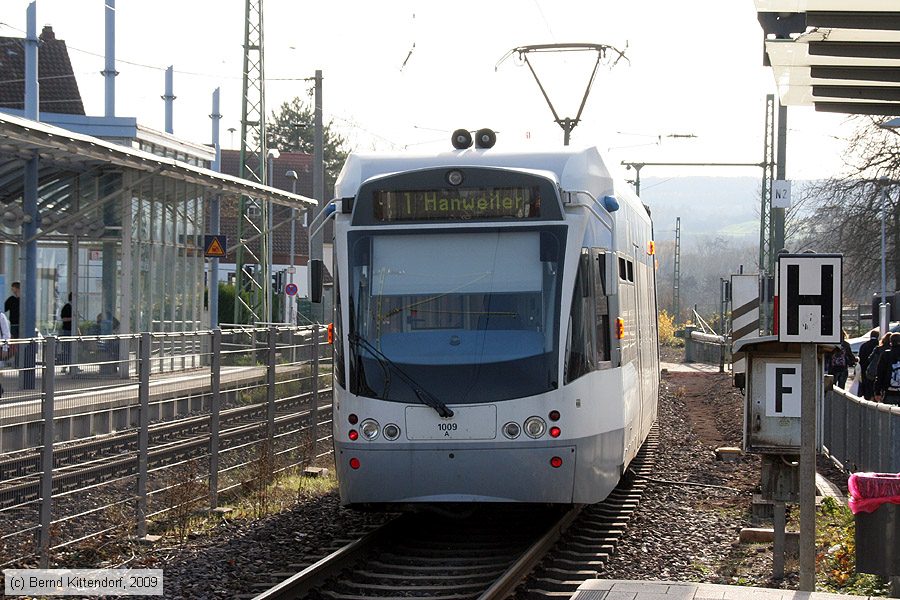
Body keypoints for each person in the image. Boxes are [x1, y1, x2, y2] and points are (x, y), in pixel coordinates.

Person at [874, 332, 900, 406]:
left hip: (889, 390)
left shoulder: (886, 355)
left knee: (889, 414)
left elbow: (880, 373)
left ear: (891, 343)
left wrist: (877, 391)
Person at [858, 328, 881, 400]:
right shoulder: (879, 346)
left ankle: (867, 397)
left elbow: (860, 357)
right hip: (877, 369)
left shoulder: (864, 345)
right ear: (878, 336)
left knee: (866, 384)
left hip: (864, 367)